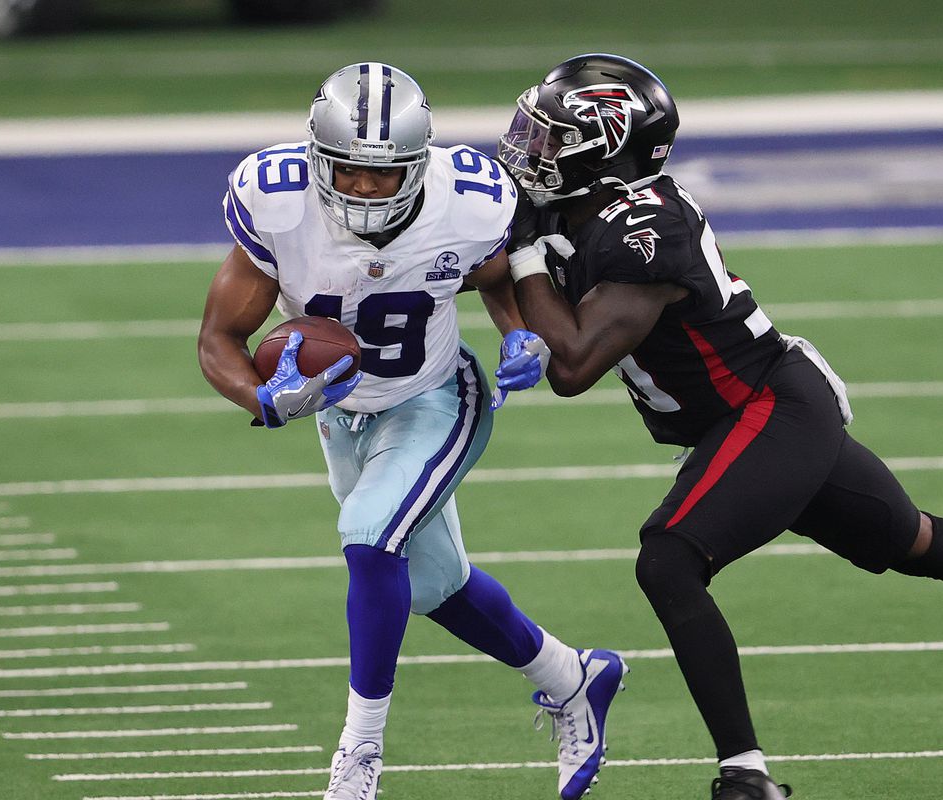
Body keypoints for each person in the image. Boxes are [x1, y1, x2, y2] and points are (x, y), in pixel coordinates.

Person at [494, 53, 943, 799]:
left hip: (768, 408)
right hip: (752, 414)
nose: (534, 152)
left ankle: (745, 777)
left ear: (611, 148)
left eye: (554, 139)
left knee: (668, 561)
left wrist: (521, 256)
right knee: (918, 541)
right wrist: (505, 299)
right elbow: (501, 289)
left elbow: (572, 365)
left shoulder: (645, 223)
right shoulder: (575, 209)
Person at [197, 62, 626, 800]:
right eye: (347, 171)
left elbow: (497, 276)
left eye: (385, 174)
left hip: (436, 397)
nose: (364, 188)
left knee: (369, 538)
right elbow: (218, 338)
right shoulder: (277, 202)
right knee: (431, 586)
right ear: (315, 158)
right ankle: (572, 676)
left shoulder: (468, 201)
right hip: (339, 411)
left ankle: (358, 759)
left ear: (419, 164)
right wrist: (264, 401)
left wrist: (519, 334)